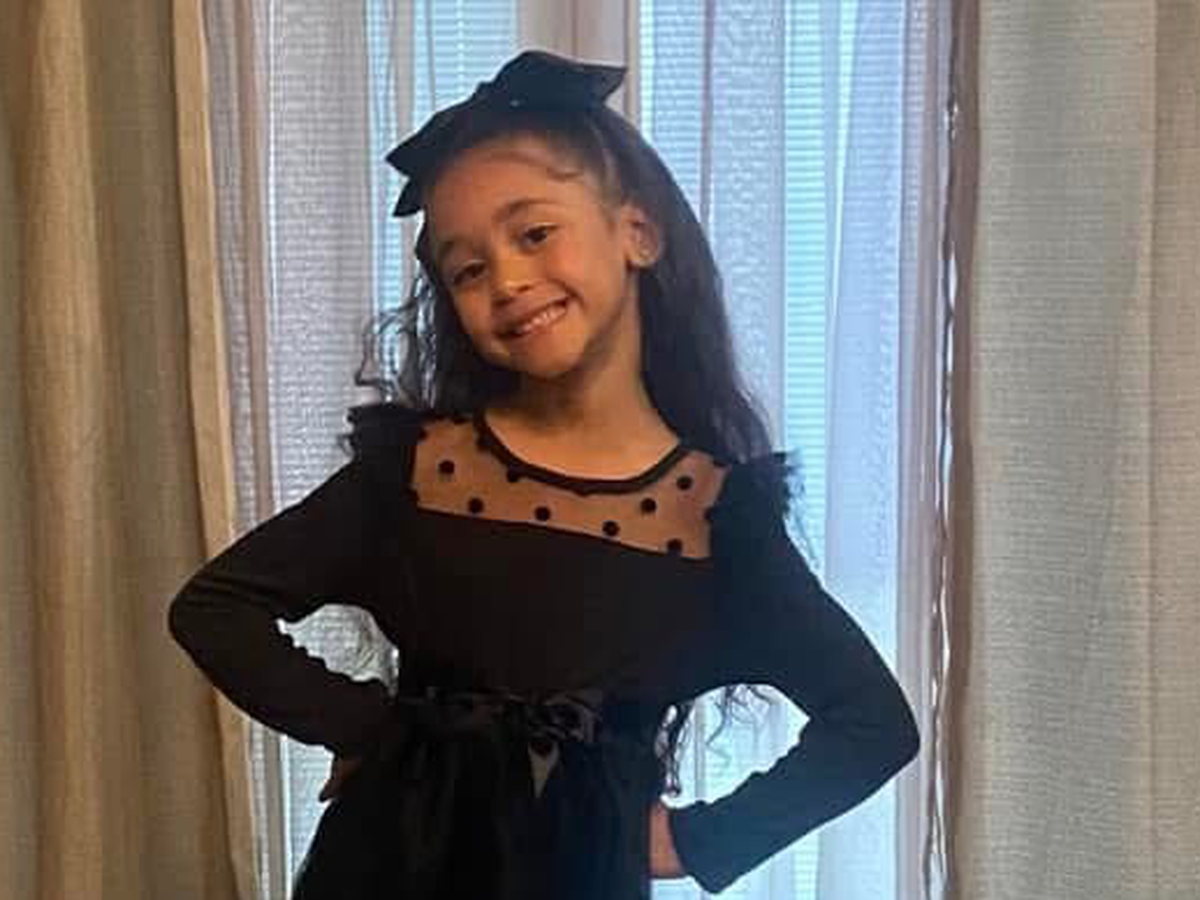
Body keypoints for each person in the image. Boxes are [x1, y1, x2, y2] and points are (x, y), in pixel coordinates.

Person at [168, 49, 920, 899]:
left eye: (533, 234)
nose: (508, 280)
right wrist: (374, 731)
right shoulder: (419, 474)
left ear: (637, 232)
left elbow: (871, 723)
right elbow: (214, 608)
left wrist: (700, 838)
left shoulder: (711, 523)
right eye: (467, 269)